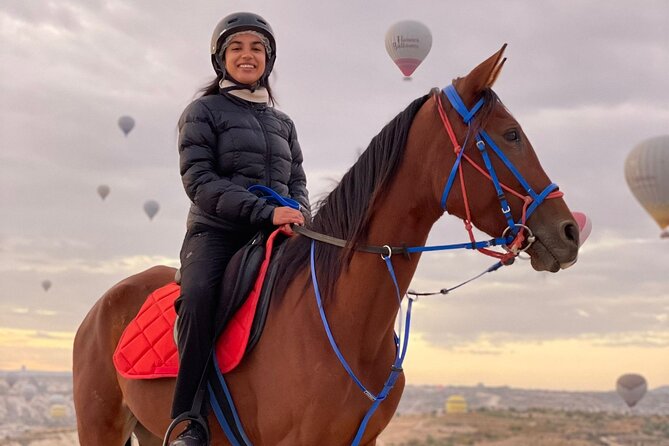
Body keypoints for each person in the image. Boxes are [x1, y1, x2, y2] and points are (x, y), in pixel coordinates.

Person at [169, 12, 310, 446]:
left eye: (257, 48)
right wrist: (264, 213)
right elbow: (199, 181)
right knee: (198, 296)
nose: (247, 56)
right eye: (237, 48)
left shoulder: (282, 122)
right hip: (216, 232)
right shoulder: (202, 111)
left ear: (267, 60)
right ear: (221, 58)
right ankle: (187, 419)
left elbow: (298, 180)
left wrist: (299, 213)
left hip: (278, 231)